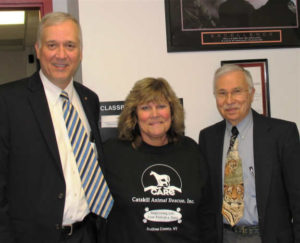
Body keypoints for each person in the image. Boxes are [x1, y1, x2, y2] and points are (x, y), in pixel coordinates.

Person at [0, 12, 113, 243]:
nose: (61, 54)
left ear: (80, 52)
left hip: (87, 233)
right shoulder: (8, 101)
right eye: (52, 45)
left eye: (70, 45)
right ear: (38, 49)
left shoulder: (89, 100)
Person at [103, 77, 215, 243]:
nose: (154, 115)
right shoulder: (112, 153)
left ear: (172, 111)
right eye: (146, 107)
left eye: (161, 106)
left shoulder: (191, 151)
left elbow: (207, 214)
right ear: (134, 114)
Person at [198, 64, 300, 243]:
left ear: (251, 94)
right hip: (224, 236)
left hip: (267, 237)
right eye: (222, 93)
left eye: (237, 91)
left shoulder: (282, 134)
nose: (229, 100)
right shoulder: (208, 138)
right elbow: (206, 201)